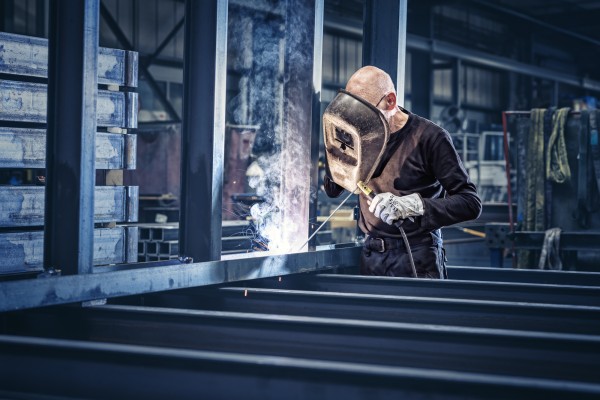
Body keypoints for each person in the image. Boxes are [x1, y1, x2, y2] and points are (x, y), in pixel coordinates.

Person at [324, 66, 482, 279]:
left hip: (416, 257)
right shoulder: (360, 135)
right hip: (371, 256)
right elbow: (333, 190)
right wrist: (336, 152)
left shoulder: (430, 138)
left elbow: (470, 203)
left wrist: (412, 205)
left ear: (390, 101)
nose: (358, 122)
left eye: (365, 114)